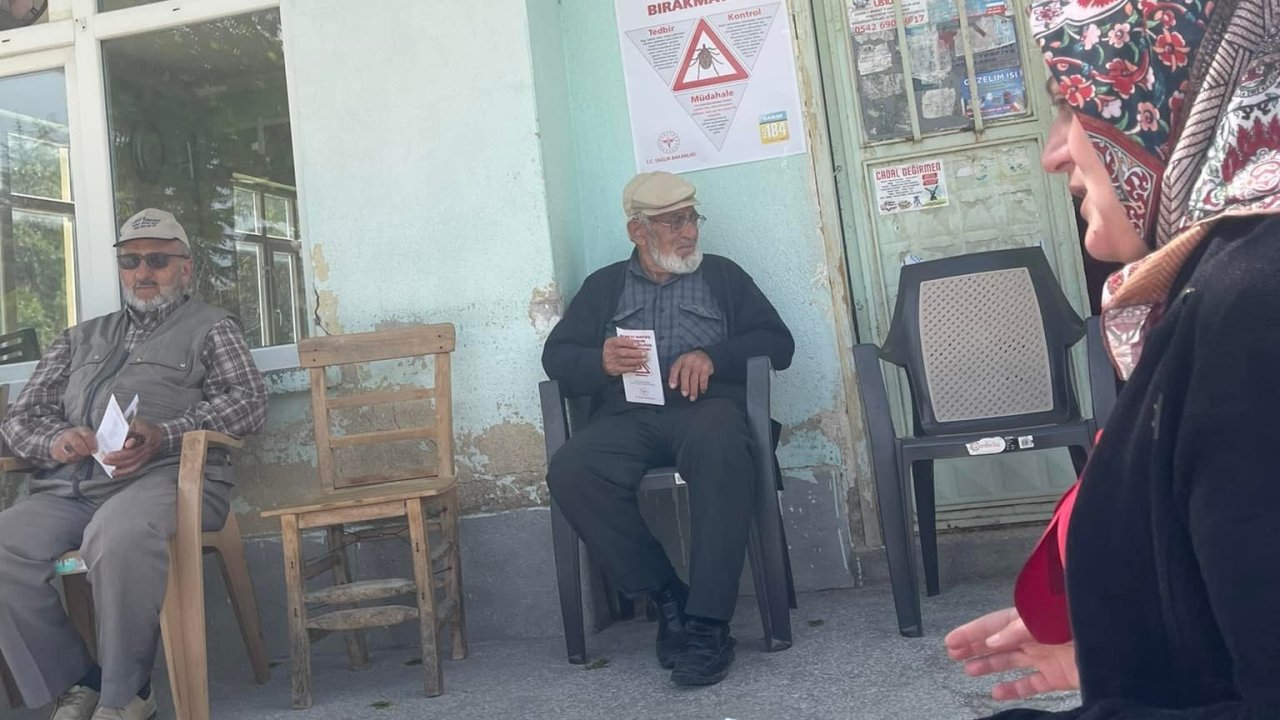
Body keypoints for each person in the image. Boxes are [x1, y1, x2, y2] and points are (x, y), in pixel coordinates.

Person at [945, 1, 1280, 717]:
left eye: (1074, 105)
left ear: (1163, 88)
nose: (1053, 152)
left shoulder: (1253, 301)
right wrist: (1129, 649)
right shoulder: (1226, 281)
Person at [0, 209, 268, 720]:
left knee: (115, 533)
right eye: (131, 261)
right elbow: (20, 418)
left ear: (185, 268)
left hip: (165, 481)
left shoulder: (211, 327)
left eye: (158, 261)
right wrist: (59, 441)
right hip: (70, 489)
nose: (143, 272)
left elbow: (249, 402)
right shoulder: (79, 338)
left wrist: (165, 434)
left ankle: (127, 695)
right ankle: (80, 682)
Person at [542, 171, 794, 686]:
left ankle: (706, 625)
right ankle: (667, 595)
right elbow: (557, 358)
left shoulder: (723, 276)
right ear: (639, 231)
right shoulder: (603, 287)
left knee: (723, 447)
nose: (689, 232)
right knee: (572, 468)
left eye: (691, 218)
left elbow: (778, 342)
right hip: (630, 415)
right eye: (673, 222)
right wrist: (600, 360)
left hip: (707, 411)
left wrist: (714, 355)